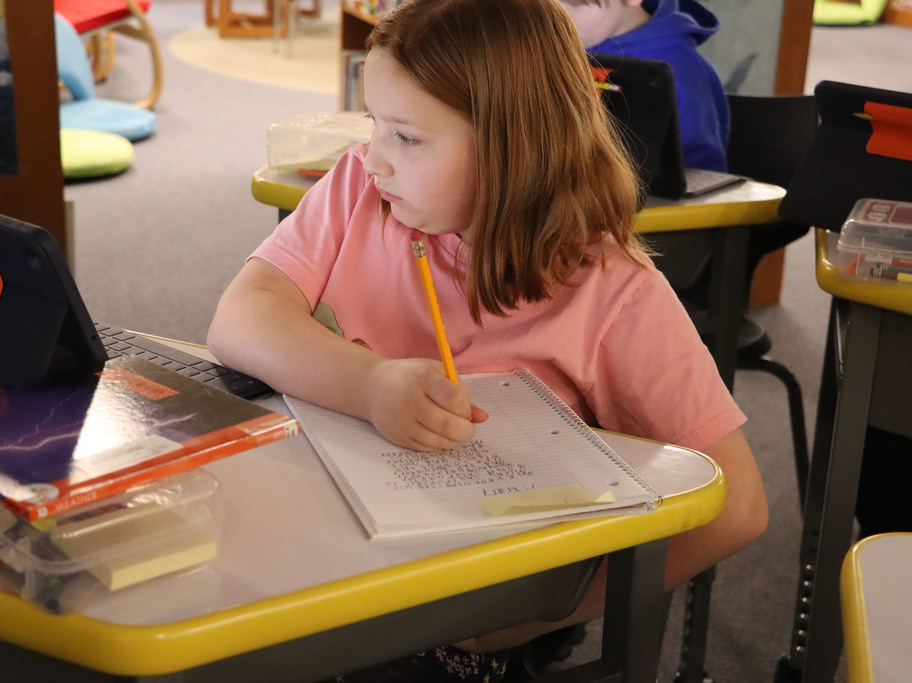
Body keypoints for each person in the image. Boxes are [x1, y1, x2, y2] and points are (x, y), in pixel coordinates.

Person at [207, 0, 767, 679]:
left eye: (406, 137)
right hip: (331, 542)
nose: (374, 158)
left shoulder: (615, 294)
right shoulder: (360, 188)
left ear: (513, 144)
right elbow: (240, 317)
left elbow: (737, 506)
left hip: (459, 607)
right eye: (372, 124)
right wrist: (370, 383)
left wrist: (537, 616)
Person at [560, 0, 730, 172]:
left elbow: (700, 174)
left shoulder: (682, 71)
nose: (550, 17)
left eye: (571, 3)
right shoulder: (563, 48)